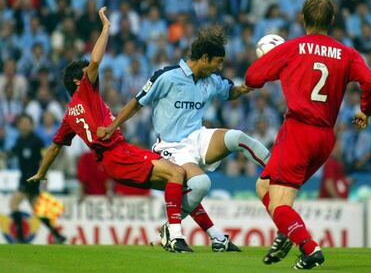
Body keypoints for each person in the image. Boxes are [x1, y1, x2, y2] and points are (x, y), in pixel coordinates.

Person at [27, 7, 192, 253]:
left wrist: (41, 173)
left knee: (180, 185)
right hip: (118, 153)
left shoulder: (69, 117)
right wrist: (106, 28)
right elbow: (94, 61)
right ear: (78, 82)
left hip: (112, 162)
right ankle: (175, 237)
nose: (93, 75)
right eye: (87, 75)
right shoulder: (86, 91)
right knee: (178, 175)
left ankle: (198, 233)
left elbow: (53, 148)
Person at [98, 26, 271, 252]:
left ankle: (276, 170)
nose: (220, 67)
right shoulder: (167, 76)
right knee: (200, 184)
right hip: (171, 146)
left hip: (198, 137)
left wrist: (246, 88)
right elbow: (136, 102)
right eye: (217, 62)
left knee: (238, 137)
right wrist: (113, 126)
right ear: (205, 57)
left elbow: (231, 92)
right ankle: (177, 228)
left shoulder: (212, 81)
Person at [245, 0, 371, 269]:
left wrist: (279, 68)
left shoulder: (293, 48)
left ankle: (309, 248)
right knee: (263, 186)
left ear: (302, 18)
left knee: (280, 206)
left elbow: (252, 77)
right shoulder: (347, 53)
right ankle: (288, 231)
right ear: (331, 20)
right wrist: (365, 111)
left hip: (298, 132)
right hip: (325, 137)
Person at [9, 114, 66, 244]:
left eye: (26, 123)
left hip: (31, 179)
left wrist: (43, 175)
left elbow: (43, 160)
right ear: (18, 125)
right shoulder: (19, 140)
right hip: (24, 178)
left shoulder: (36, 141)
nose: (24, 125)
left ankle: (21, 236)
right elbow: (13, 152)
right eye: (22, 123)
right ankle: (57, 235)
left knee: (13, 203)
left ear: (31, 125)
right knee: (37, 210)